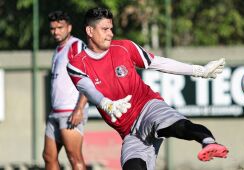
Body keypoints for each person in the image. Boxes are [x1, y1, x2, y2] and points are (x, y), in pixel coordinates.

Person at [67, 7, 228, 170]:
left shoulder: (124, 48)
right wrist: (106, 103)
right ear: (90, 30)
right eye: (105, 29)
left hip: (148, 106)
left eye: (111, 29)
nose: (111, 33)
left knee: (174, 126)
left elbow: (159, 63)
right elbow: (88, 89)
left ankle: (208, 142)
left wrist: (199, 70)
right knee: (132, 167)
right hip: (130, 132)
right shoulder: (76, 65)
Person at [43, 10, 89, 170]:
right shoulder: (57, 50)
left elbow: (88, 78)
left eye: (60, 27)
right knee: (48, 157)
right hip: (55, 112)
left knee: (74, 157)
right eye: (52, 28)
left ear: (68, 28)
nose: (56, 32)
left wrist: (79, 109)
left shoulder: (76, 45)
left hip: (71, 111)